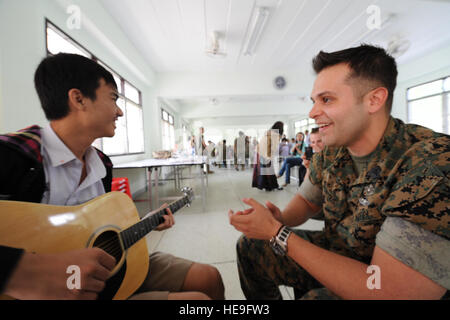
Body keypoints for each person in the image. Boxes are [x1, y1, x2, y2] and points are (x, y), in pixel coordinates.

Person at [229, 44, 449, 300]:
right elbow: (307, 200)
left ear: (374, 100)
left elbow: (390, 291)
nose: (312, 112)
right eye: (314, 101)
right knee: (250, 247)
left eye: (327, 99)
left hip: (383, 279)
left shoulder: (431, 163)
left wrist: (277, 233)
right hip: (341, 249)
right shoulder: (333, 151)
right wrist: (281, 219)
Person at [0, 53, 224, 300]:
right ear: (78, 99)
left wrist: (143, 222)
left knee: (208, 278)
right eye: (113, 98)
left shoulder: (102, 164)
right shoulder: (12, 157)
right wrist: (28, 272)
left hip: (111, 272)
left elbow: (95, 231)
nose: (120, 111)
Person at [252, 121, 284, 191]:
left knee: (263, 170)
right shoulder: (276, 134)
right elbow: (273, 147)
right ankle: (273, 186)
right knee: (269, 170)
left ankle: (267, 186)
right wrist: (270, 157)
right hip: (265, 153)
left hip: (258, 152)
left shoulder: (268, 132)